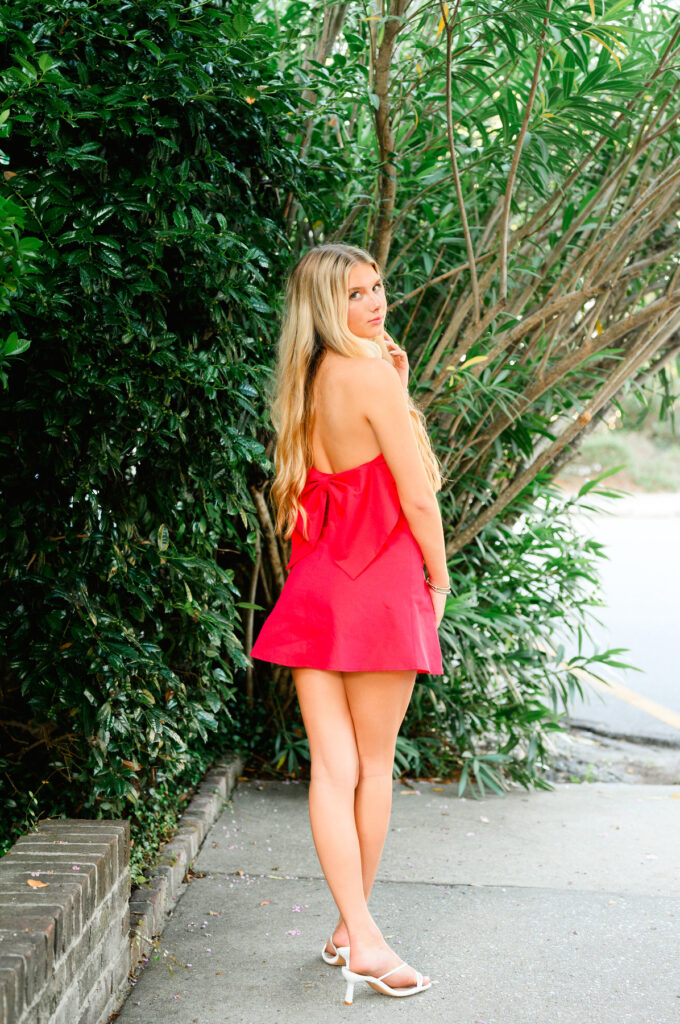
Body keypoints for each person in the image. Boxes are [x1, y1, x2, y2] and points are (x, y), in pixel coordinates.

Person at [250, 243, 449, 1003]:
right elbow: (416, 495)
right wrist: (440, 574)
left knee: (332, 772)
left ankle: (348, 930)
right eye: (358, 295)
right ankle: (362, 937)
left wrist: (393, 381)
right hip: (380, 585)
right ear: (327, 307)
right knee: (370, 769)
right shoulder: (369, 376)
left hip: (318, 587)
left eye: (378, 288)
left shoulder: (306, 384)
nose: (376, 304)